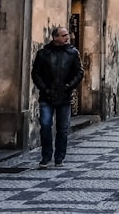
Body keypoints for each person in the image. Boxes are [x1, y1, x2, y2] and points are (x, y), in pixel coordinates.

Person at [31, 26, 84, 169]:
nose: (67, 37)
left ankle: (59, 157)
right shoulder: (43, 54)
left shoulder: (72, 53)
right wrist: (45, 88)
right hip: (46, 96)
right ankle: (46, 156)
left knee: (63, 128)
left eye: (67, 35)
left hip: (64, 96)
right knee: (46, 126)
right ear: (55, 37)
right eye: (64, 35)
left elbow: (79, 73)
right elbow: (35, 73)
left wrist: (68, 86)